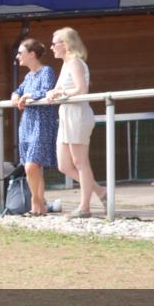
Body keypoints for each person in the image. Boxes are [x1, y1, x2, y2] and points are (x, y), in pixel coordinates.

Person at [46, 27, 106, 218]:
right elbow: (57, 89)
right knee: (64, 165)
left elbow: (82, 89)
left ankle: (84, 207)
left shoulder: (75, 63)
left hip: (78, 115)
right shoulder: (65, 65)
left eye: (55, 43)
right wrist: (52, 93)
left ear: (66, 44)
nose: (52, 47)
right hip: (65, 115)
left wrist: (61, 94)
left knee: (80, 162)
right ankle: (100, 191)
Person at [10, 39, 59, 215]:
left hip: (42, 123)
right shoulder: (28, 76)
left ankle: (36, 200)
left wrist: (28, 96)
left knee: (31, 165)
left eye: (20, 53)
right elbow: (18, 90)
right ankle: (38, 208)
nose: (18, 57)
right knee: (33, 167)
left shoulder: (46, 71)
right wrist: (17, 96)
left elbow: (46, 90)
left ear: (32, 54)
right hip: (27, 124)